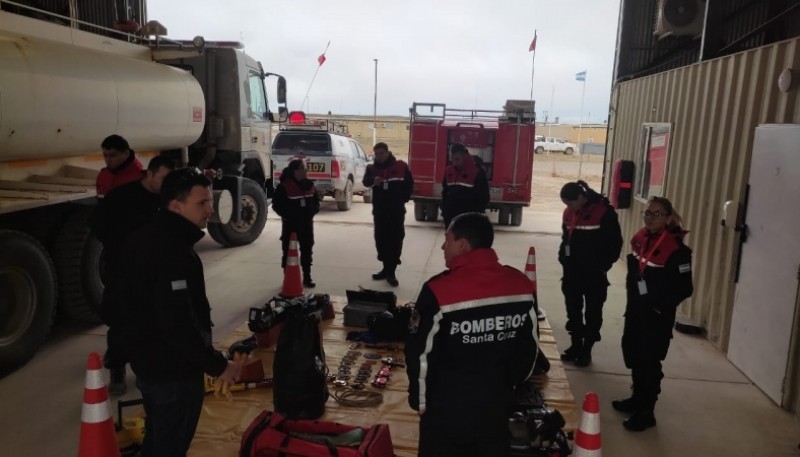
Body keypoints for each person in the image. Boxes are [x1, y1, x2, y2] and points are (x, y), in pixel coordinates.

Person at [117, 168, 241, 457]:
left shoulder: (144, 237)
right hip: (171, 372)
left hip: (148, 363)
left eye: (210, 201)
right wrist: (218, 366)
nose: (210, 209)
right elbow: (177, 325)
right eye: (202, 203)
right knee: (170, 446)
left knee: (159, 437)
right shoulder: (171, 252)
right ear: (176, 206)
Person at [405, 212, 539, 457]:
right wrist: (506, 385)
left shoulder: (438, 290)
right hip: (496, 408)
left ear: (463, 245)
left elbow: (419, 353)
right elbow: (529, 351)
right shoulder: (521, 285)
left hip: (446, 410)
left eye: (448, 239)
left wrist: (420, 401)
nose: (443, 246)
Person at [91, 155, 175, 395]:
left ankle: (146, 370)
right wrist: (119, 247)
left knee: (153, 322)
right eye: (164, 178)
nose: (167, 185)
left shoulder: (167, 200)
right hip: (123, 271)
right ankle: (117, 370)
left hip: (155, 272)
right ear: (149, 174)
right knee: (121, 323)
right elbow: (98, 224)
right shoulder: (121, 196)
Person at [613, 197, 693, 431]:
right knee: (635, 356)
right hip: (636, 312)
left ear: (668, 218)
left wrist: (659, 307)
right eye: (647, 212)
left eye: (656, 214)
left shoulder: (678, 250)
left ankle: (647, 412)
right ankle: (636, 399)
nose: (649, 217)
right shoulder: (642, 239)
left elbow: (685, 288)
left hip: (656, 318)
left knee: (649, 363)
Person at [558, 180, 623, 366]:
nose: (568, 208)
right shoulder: (569, 212)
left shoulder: (604, 212)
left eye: (570, 203)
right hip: (572, 273)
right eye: (565, 204)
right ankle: (576, 345)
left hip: (594, 274)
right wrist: (563, 258)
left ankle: (587, 349)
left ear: (580, 197)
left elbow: (614, 244)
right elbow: (566, 239)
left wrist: (602, 266)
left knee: (593, 312)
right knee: (573, 310)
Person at [362, 142, 413, 287]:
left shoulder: (401, 166)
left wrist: (402, 199)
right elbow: (365, 182)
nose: (379, 157)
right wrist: (373, 181)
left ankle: (392, 272)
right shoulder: (371, 169)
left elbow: (409, 184)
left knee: (395, 240)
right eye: (376, 154)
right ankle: (385, 269)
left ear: (387, 152)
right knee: (381, 240)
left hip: (396, 212)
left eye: (381, 153)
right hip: (380, 211)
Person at [271, 159, 320, 288]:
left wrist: (312, 212)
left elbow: (316, 202)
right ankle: (288, 277)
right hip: (290, 225)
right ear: (296, 171)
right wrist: (288, 216)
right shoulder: (284, 187)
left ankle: (307, 277)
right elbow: (277, 205)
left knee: (307, 251)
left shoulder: (310, 185)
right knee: (288, 252)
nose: (306, 170)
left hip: (307, 225)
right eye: (303, 168)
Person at [441, 143, 490, 228]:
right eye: (452, 159)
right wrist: (445, 210)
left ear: (465, 156)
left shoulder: (477, 172)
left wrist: (475, 217)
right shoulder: (449, 171)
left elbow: (483, 197)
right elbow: (445, 192)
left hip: (468, 222)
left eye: (457, 159)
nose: (455, 163)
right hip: (450, 221)